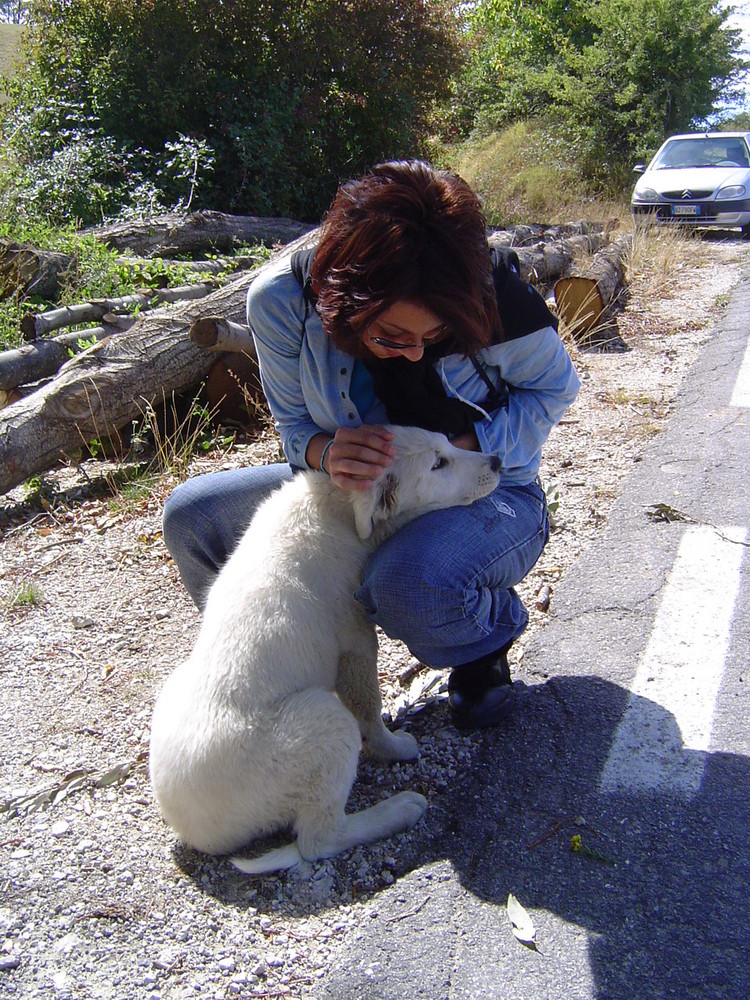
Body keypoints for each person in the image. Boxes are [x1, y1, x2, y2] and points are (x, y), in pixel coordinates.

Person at [162, 160, 580, 730]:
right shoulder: (282, 303)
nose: (414, 355)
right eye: (391, 337)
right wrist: (325, 454)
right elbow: (292, 426)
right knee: (195, 518)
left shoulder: (497, 297)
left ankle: (484, 639)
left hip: (490, 490)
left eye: (435, 338)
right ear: (343, 302)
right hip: (355, 496)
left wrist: (464, 444)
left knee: (408, 580)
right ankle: (279, 672)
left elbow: (555, 389)